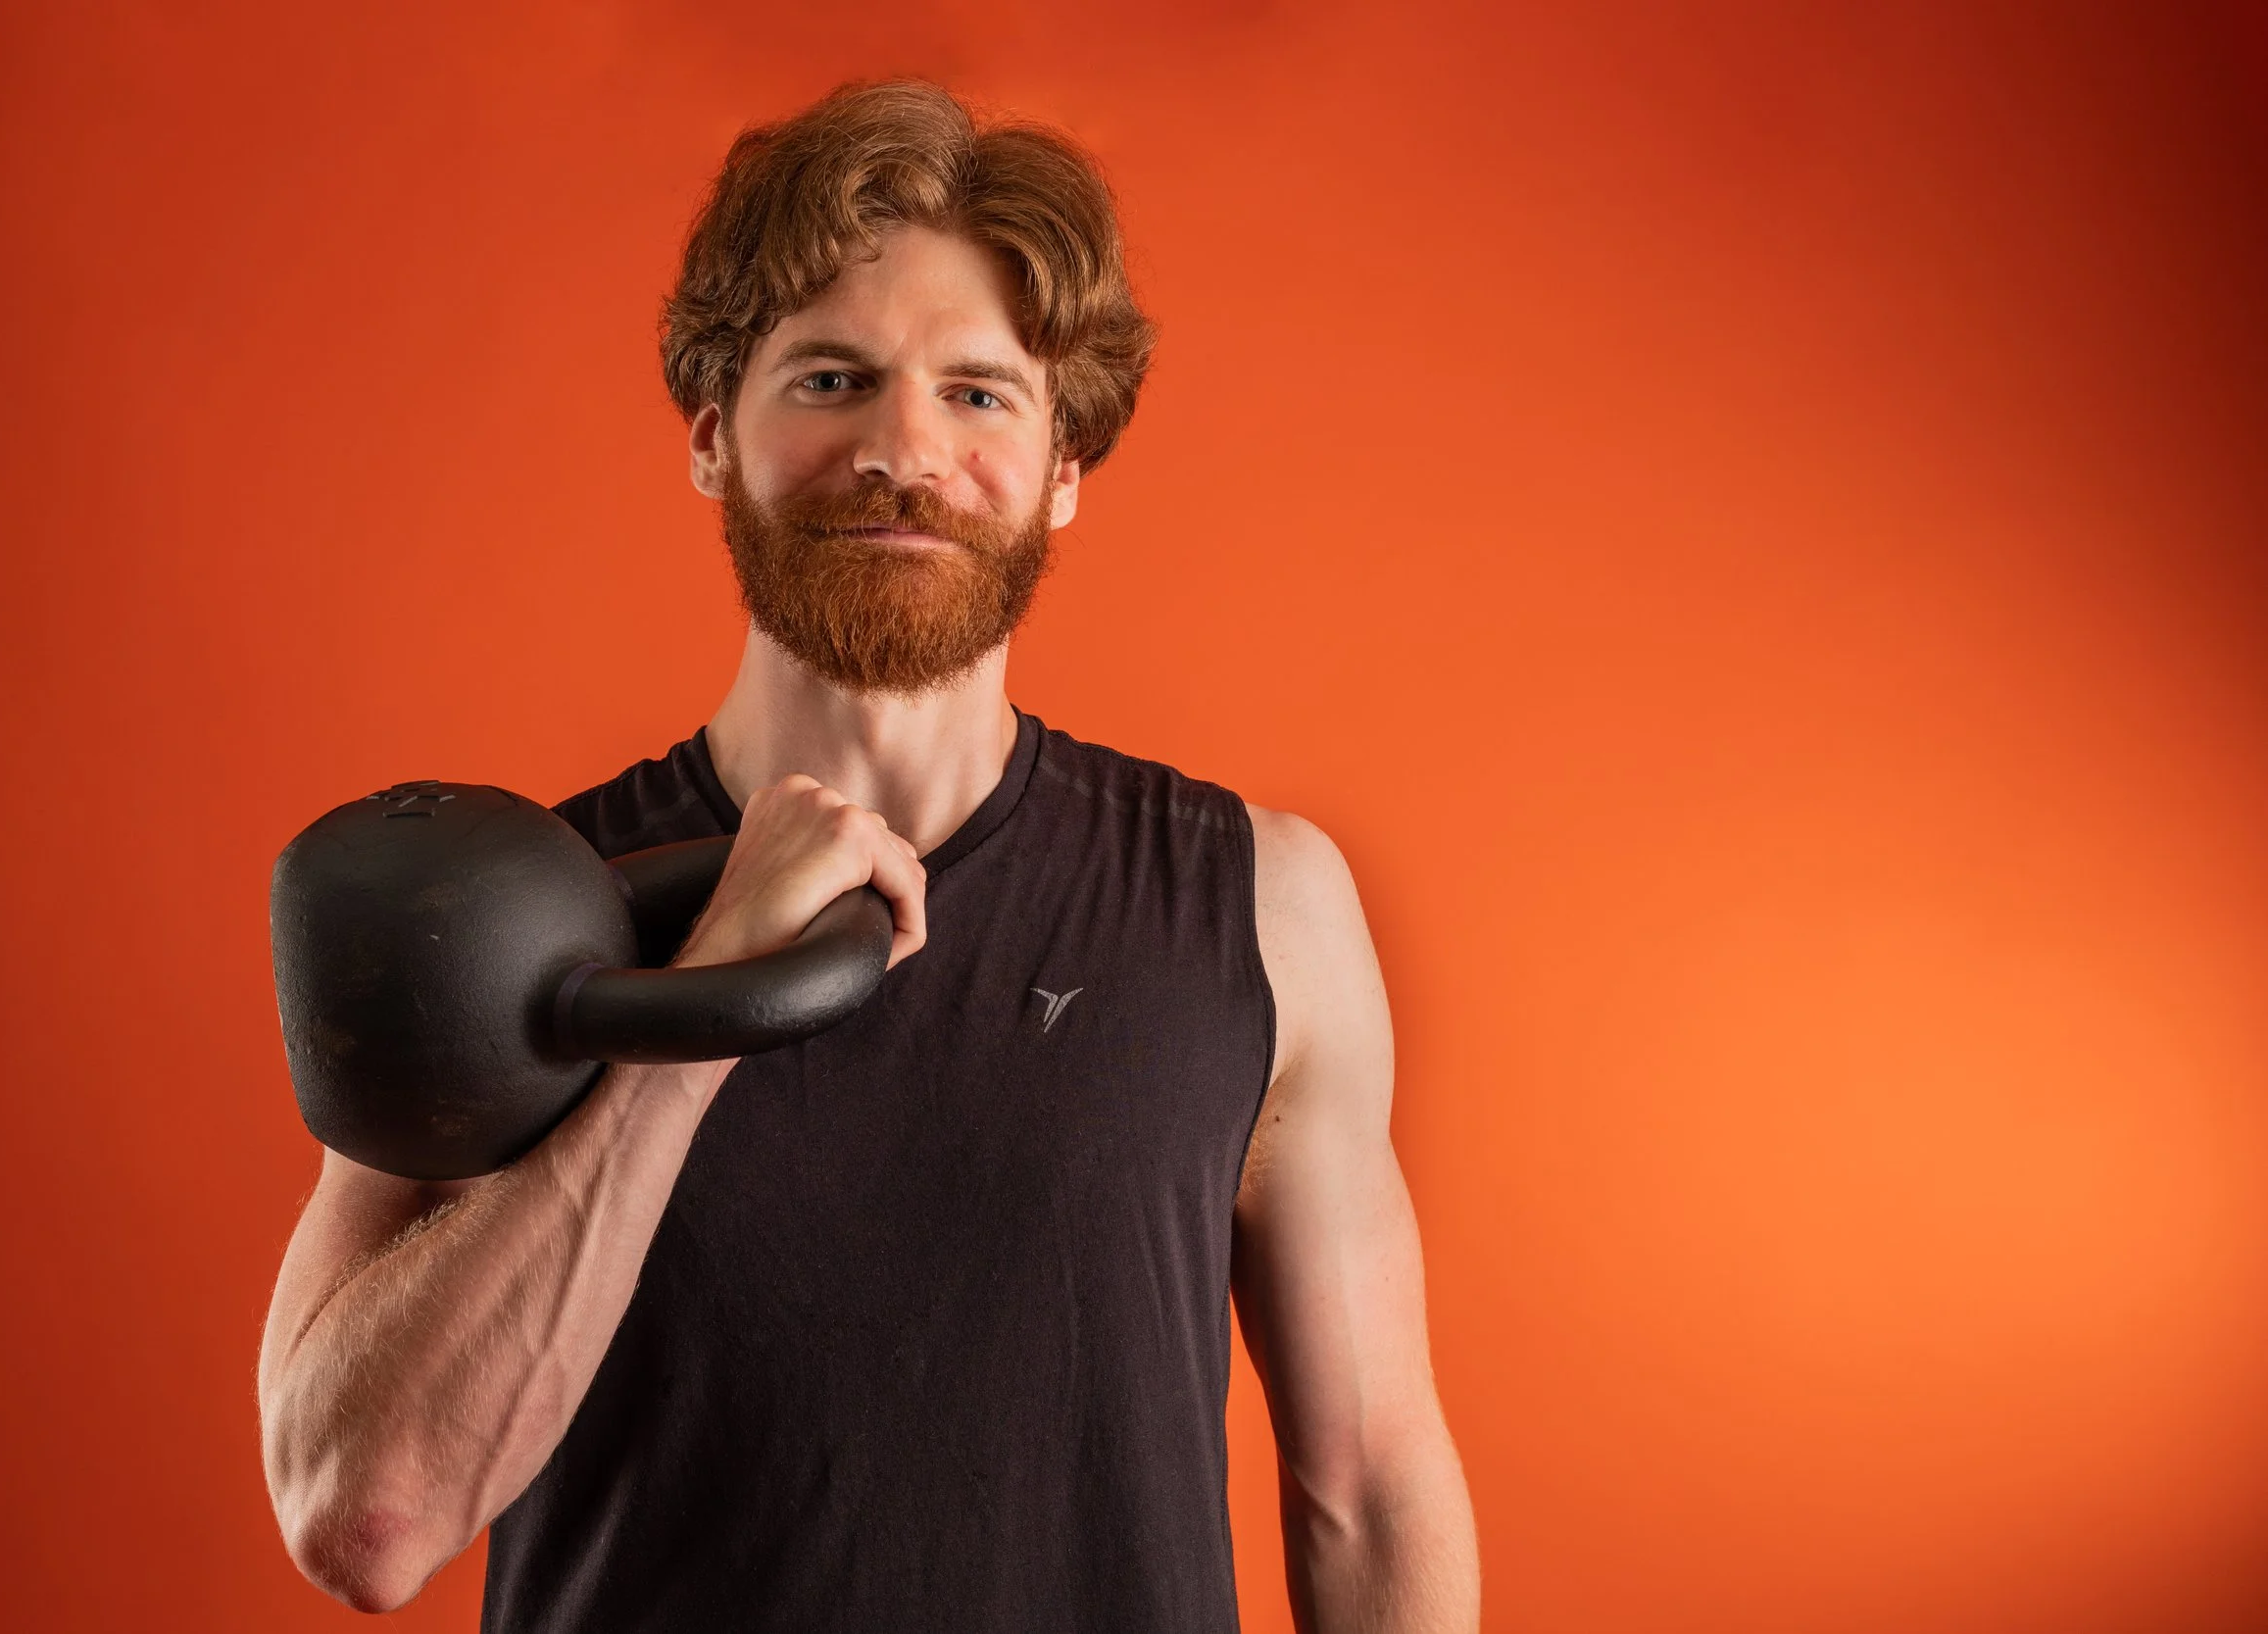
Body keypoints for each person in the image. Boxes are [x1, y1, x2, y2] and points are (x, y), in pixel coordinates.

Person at [257, 77, 1481, 1633]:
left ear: (1064, 469)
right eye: (831, 376)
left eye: (980, 393)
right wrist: (699, 1001)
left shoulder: (1258, 906)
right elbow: (360, 1512)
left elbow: (1368, 1492)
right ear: (714, 437)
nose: (904, 450)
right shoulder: (495, 918)